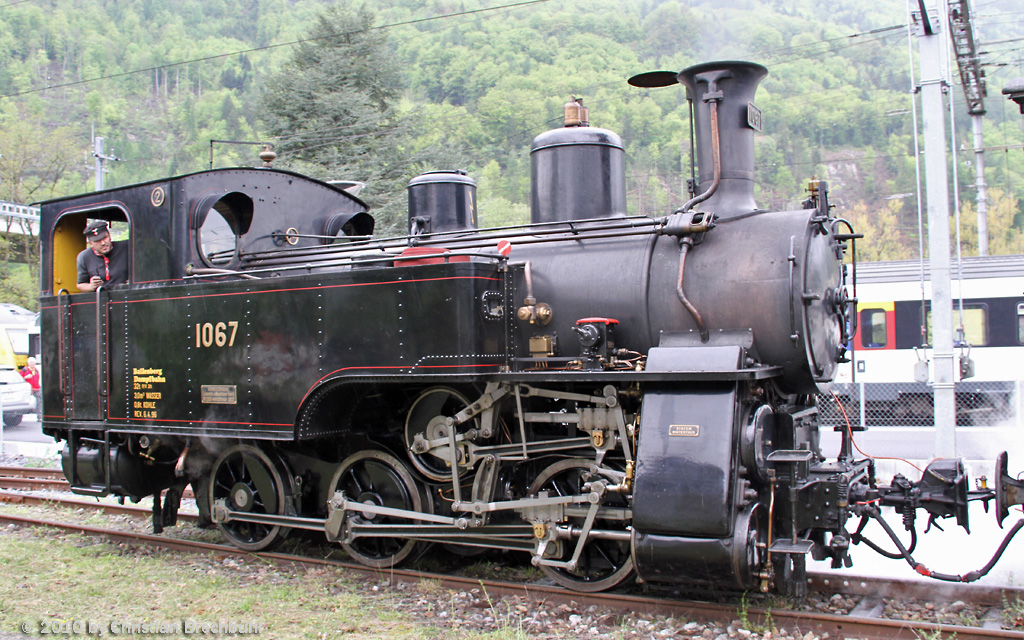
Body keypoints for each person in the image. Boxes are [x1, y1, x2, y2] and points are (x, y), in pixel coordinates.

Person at [77, 220, 129, 291]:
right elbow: (81, 284)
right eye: (97, 241)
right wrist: (91, 286)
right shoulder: (84, 257)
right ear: (90, 243)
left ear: (109, 235)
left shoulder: (126, 247)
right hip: (101, 299)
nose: (103, 243)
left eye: (105, 238)